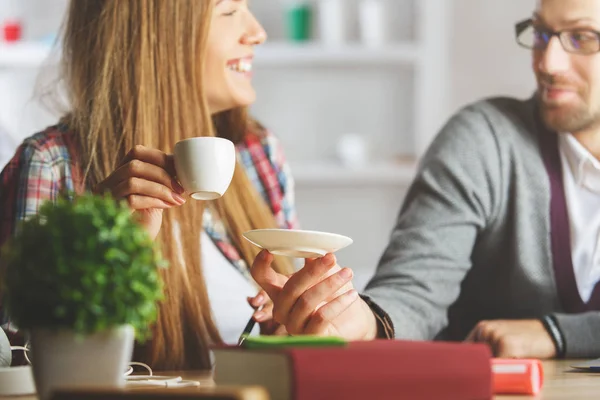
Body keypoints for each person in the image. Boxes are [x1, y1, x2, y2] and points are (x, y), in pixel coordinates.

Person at [251, 0, 600, 360]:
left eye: (582, 37)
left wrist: (558, 334)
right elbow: (414, 289)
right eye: (541, 33)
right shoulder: (485, 140)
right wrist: (364, 323)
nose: (547, 63)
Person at [0, 0, 297, 370]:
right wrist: (107, 251)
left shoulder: (258, 153)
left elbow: (293, 336)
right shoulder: (50, 165)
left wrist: (288, 327)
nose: (257, 32)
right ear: (159, 38)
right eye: (229, 11)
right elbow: (15, 362)